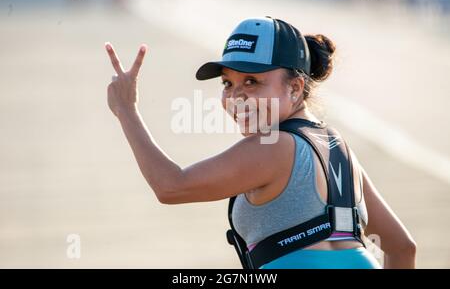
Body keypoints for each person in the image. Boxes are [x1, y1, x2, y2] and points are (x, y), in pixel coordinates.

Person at [105, 16, 416, 269]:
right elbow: (402, 248)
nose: (235, 96)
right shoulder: (338, 148)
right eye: (228, 83)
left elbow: (171, 186)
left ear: (295, 88)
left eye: (252, 81)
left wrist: (126, 110)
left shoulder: (275, 146)